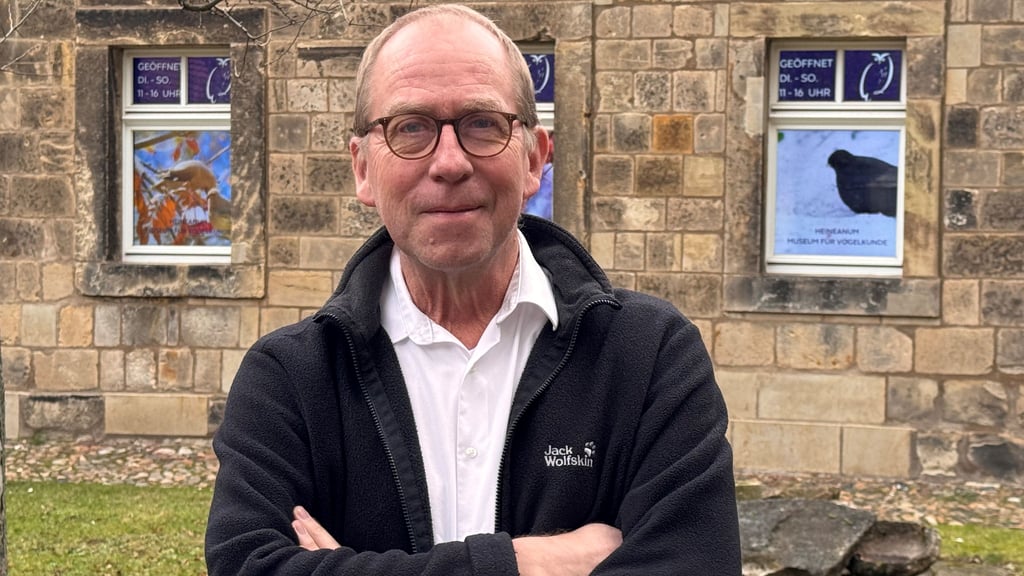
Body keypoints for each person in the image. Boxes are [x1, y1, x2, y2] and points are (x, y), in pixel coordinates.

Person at [205, 4, 741, 575]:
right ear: (362, 168)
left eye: (482, 123)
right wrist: (523, 564)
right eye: (410, 128)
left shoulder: (648, 357)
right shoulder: (289, 379)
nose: (450, 162)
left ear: (534, 157)